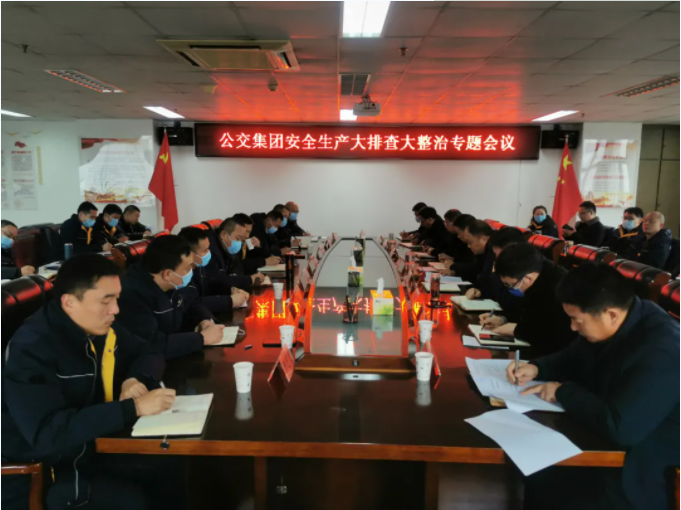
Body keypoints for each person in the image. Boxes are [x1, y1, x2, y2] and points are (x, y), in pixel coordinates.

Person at [2, 254, 181, 510]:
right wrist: (133, 408)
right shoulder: (31, 348)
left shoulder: (97, 328)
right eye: (106, 301)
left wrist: (134, 379)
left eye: (116, 299)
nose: (116, 310)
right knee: (134, 500)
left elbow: (149, 351)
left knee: (171, 465)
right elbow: (47, 434)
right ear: (69, 302)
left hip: (88, 449)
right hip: (46, 473)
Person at [509, 264, 679, 510]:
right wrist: (537, 368)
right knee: (535, 471)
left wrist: (562, 391)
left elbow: (621, 427)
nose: (572, 328)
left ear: (611, 314)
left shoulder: (663, 349)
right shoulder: (622, 318)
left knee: (547, 483)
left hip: (640, 473)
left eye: (576, 320)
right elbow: (574, 357)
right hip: (605, 446)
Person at [117, 235, 225, 359]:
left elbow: (191, 304)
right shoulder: (132, 295)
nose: (192, 270)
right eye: (188, 268)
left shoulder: (174, 281)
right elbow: (151, 344)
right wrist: (201, 338)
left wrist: (203, 320)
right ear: (167, 274)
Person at [480, 242, 575, 356]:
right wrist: (503, 319)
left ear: (528, 278)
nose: (508, 289)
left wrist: (517, 330)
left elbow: (553, 334)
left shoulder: (559, 290)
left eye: (510, 285)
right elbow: (522, 311)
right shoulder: (535, 277)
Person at [178, 227, 248, 313]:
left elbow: (212, 284)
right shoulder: (181, 275)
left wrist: (231, 289)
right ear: (190, 254)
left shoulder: (200, 266)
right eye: (205, 250)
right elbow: (192, 304)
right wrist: (229, 301)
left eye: (209, 248)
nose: (209, 253)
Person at [213, 217, 265, 287]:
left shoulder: (229, 249)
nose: (239, 243)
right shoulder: (213, 251)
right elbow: (217, 282)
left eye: (241, 240)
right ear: (224, 235)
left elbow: (236, 269)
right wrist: (249, 279)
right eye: (238, 238)